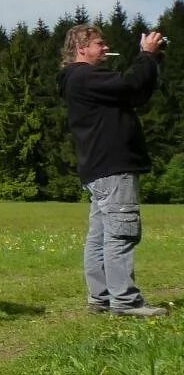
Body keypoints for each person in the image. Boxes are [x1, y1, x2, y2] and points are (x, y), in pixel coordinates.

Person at [57, 25, 169, 317]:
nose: (105, 48)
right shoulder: (86, 76)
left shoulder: (81, 80)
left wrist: (151, 61)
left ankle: (102, 297)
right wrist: (146, 54)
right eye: (99, 43)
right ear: (81, 48)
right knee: (121, 232)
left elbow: (134, 93)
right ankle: (125, 302)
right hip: (113, 166)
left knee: (101, 235)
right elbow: (130, 85)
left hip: (100, 168)